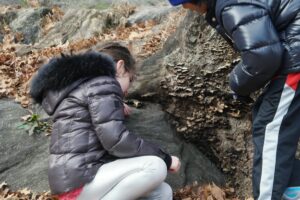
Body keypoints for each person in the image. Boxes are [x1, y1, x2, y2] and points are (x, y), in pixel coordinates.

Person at [168, 0, 300, 200]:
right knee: (269, 120)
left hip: (295, 58)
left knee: (270, 129)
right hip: (292, 49)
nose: (186, 9)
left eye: (184, 3)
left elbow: (262, 56)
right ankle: (293, 189)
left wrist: (237, 84)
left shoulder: (230, 5)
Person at [29, 42, 181, 200]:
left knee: (162, 192)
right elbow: (116, 140)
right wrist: (166, 158)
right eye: (130, 79)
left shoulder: (86, 87)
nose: (127, 91)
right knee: (155, 167)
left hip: (75, 182)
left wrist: (115, 102)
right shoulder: (103, 83)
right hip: (81, 181)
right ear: (120, 67)